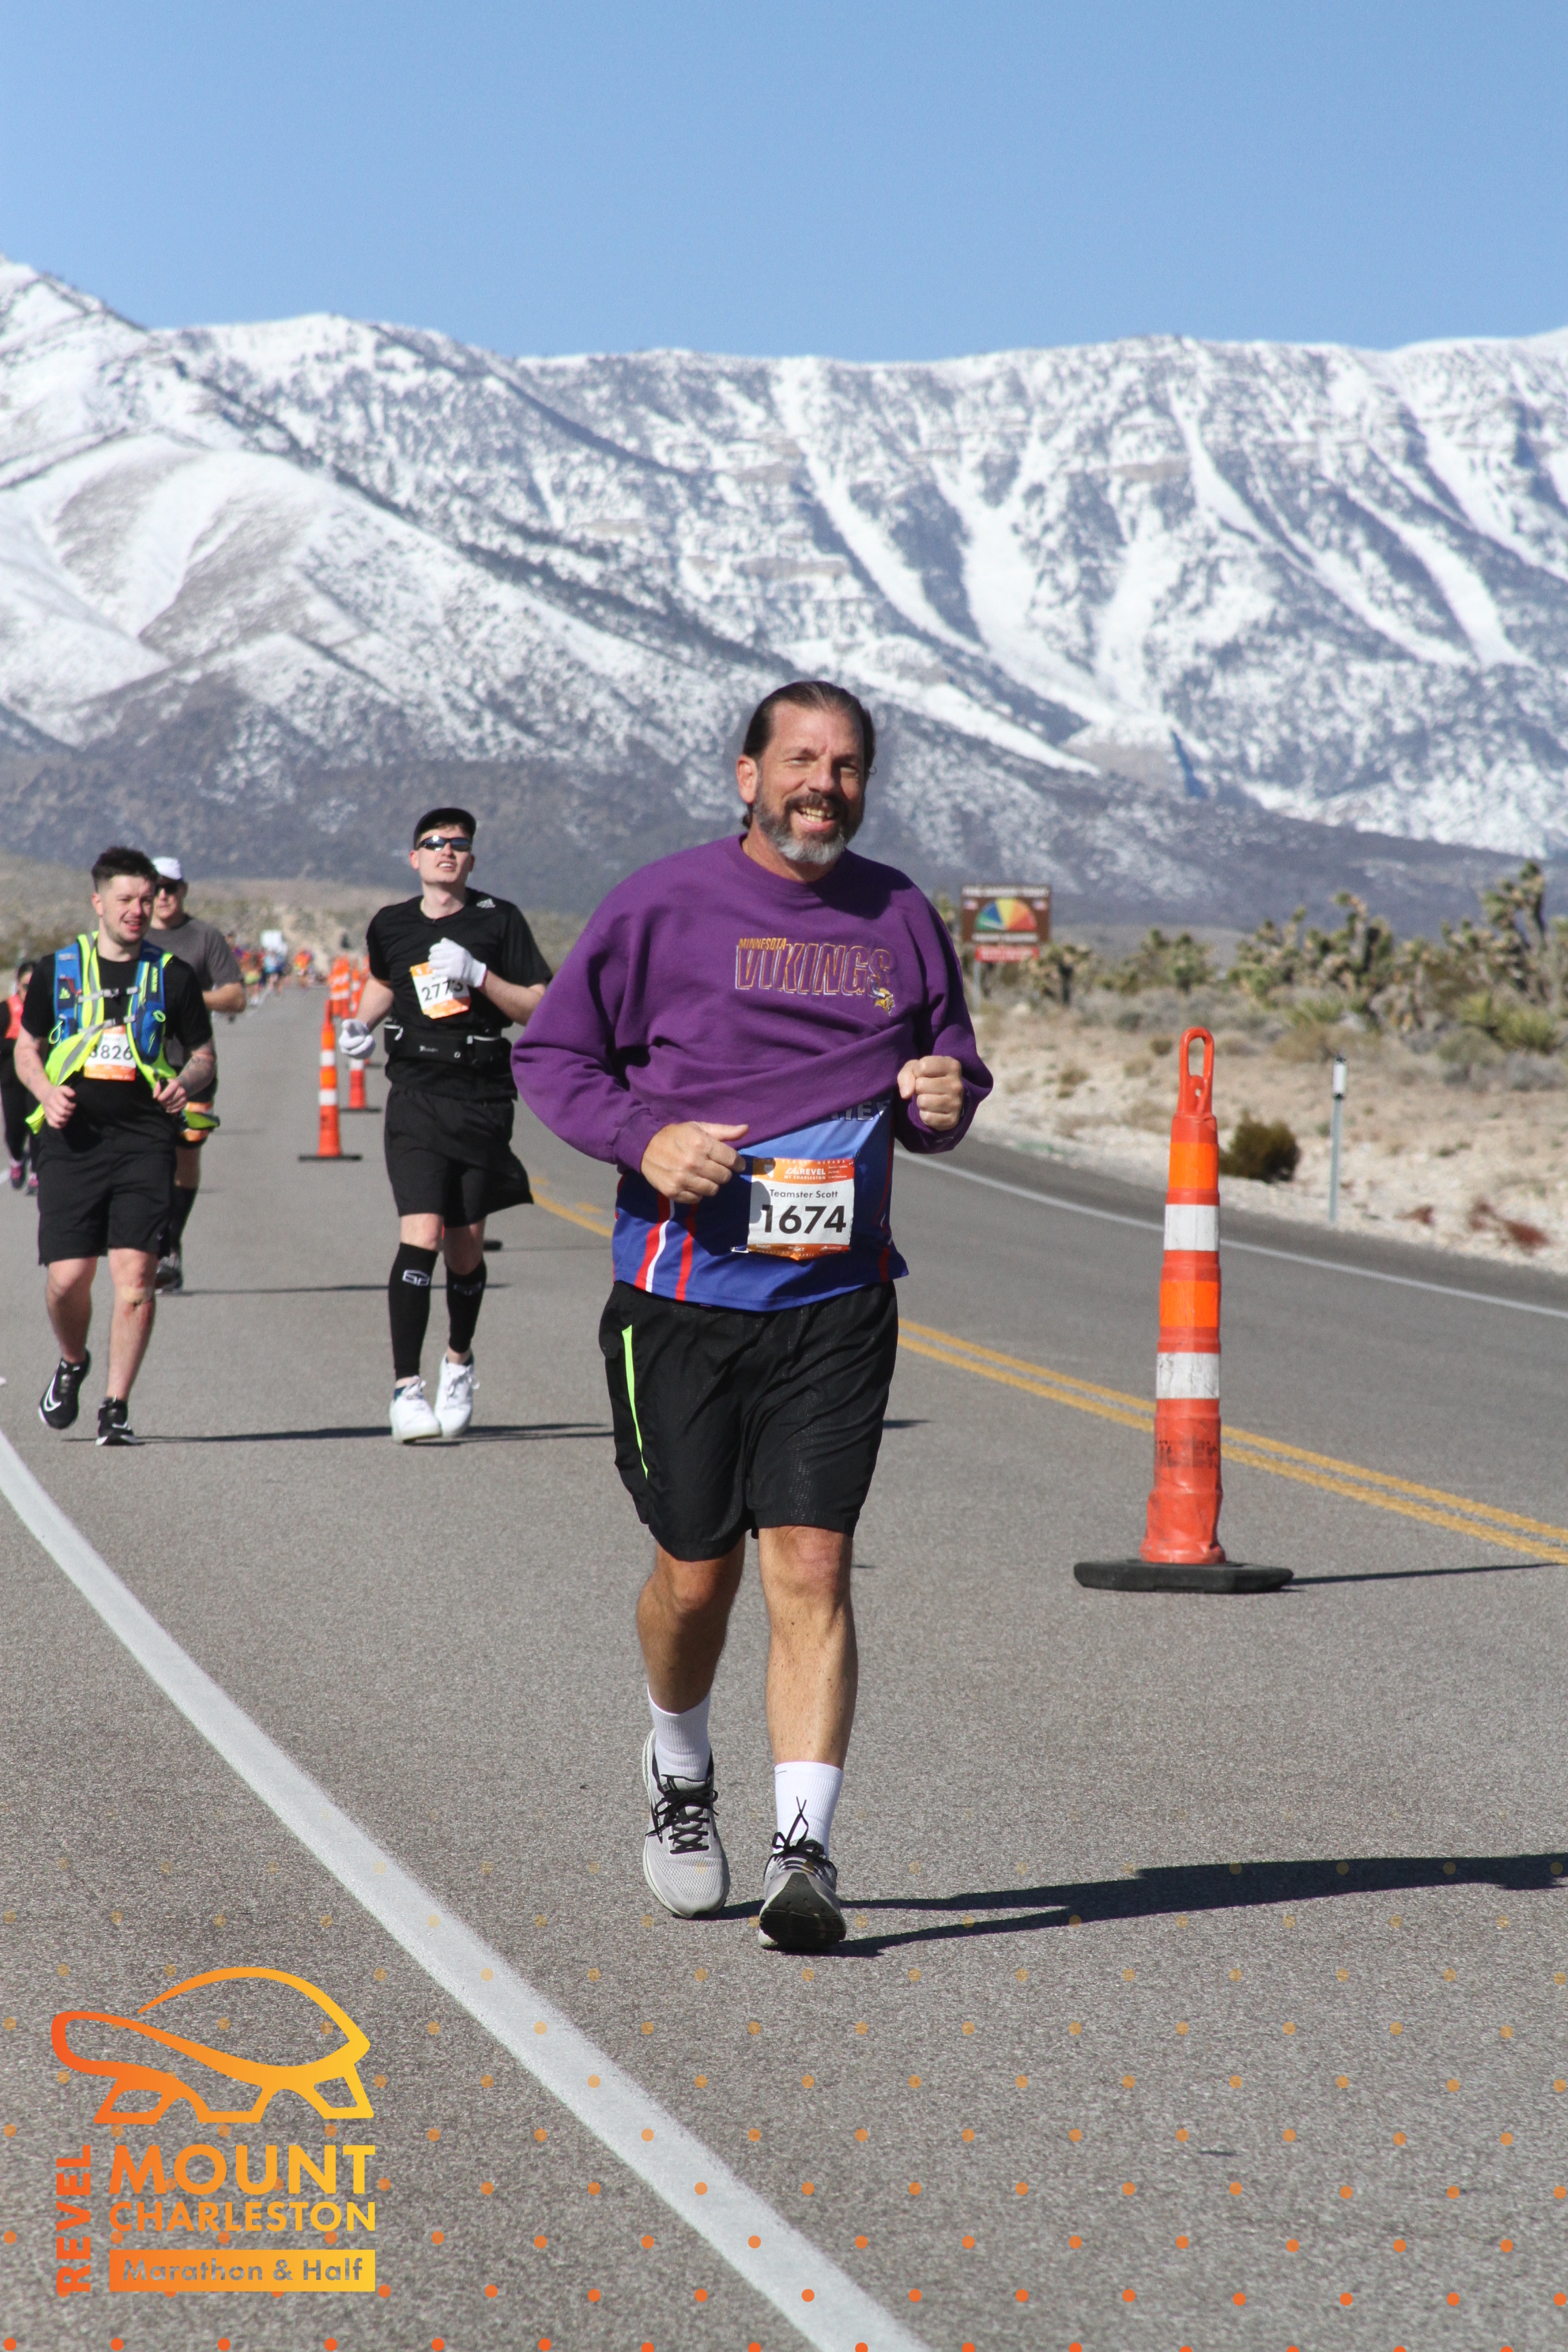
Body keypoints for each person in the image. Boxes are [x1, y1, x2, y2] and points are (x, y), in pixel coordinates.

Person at [514, 681, 991, 1953]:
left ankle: (803, 1851)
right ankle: (677, 1766)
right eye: (800, 760)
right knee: (695, 1576)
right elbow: (552, 1058)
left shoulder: (899, 914)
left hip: (836, 1303)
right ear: (747, 775)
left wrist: (945, 1097)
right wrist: (644, 1139)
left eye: (846, 766)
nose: (821, 784)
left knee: (813, 1566)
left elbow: (945, 1071)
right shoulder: (660, 905)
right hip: (680, 1302)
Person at [342, 808, 551, 1441]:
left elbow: (539, 1006)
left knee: (465, 1247)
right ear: (415, 858)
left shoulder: (499, 920)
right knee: (422, 1234)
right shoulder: (392, 923)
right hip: (415, 1095)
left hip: (481, 1097)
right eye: (434, 843)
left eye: (458, 844)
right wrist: (359, 1024)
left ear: (471, 859)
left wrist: (479, 975)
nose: (446, 851)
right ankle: (406, 1389)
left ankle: (458, 1361)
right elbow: (384, 982)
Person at [14, 847, 214, 1446]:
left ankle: (116, 1407)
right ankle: (73, 1361)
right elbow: (26, 1047)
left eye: (146, 900)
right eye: (125, 899)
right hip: (71, 1139)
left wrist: (185, 1084)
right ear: (98, 903)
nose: (137, 910)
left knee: (136, 1280)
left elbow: (203, 1055)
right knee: (68, 1278)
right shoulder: (57, 970)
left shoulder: (172, 976)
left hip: (144, 1141)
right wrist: (46, 1092)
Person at [146, 856, 247, 1292]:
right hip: (142, 1068)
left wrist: (188, 998)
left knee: (187, 1155)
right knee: (150, 1158)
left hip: (193, 1064)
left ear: (184, 889)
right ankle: (157, 1245)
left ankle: (171, 1242)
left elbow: (236, 996)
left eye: (170, 887)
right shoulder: (132, 935)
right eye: (156, 888)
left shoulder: (205, 937)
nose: (163, 896)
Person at [3, 959, 36, 1190]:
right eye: (25, 986)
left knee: (38, 1127)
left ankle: (37, 1170)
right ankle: (17, 1159)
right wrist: (17, 1046)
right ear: (18, 985)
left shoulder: (46, 1009)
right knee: (15, 1130)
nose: (29, 992)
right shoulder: (5, 1010)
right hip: (11, 1080)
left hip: (38, 1078)